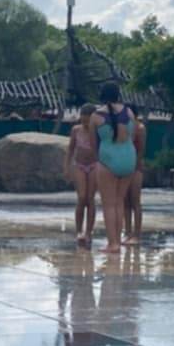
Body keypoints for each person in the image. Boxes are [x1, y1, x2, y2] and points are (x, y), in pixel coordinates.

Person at [93, 81, 138, 253]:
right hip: (128, 158)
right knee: (119, 202)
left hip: (108, 159)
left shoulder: (97, 116)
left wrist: (100, 159)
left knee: (108, 204)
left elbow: (93, 143)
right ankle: (118, 240)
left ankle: (112, 244)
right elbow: (133, 136)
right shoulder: (129, 112)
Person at [64, 104, 99, 247]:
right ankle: (79, 231)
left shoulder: (98, 132)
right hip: (79, 165)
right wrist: (67, 167)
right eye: (83, 120)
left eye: (88, 121)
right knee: (82, 197)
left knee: (90, 199)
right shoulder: (76, 130)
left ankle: (89, 232)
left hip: (94, 165)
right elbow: (70, 149)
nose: (85, 123)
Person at [123, 110, 147, 244]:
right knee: (125, 201)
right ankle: (127, 232)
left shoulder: (140, 128)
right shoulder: (125, 128)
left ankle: (137, 234)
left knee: (135, 201)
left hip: (135, 167)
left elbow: (141, 150)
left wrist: (134, 165)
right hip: (124, 166)